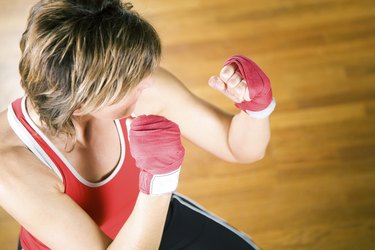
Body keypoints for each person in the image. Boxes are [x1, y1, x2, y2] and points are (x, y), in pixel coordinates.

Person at [0, 0, 275, 249]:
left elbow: (238, 147)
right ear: (81, 104)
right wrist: (159, 180)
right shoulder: (11, 163)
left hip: (150, 214)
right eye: (130, 83)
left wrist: (256, 108)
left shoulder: (143, 87)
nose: (148, 82)